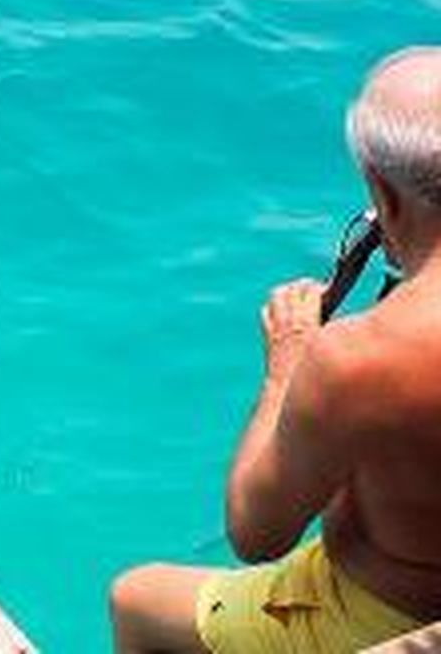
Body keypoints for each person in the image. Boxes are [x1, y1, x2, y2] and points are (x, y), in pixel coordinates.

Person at [110, 47, 441, 653]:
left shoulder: (358, 358)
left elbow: (255, 532)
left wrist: (287, 365)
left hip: (389, 616)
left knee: (135, 597)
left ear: (383, 197)